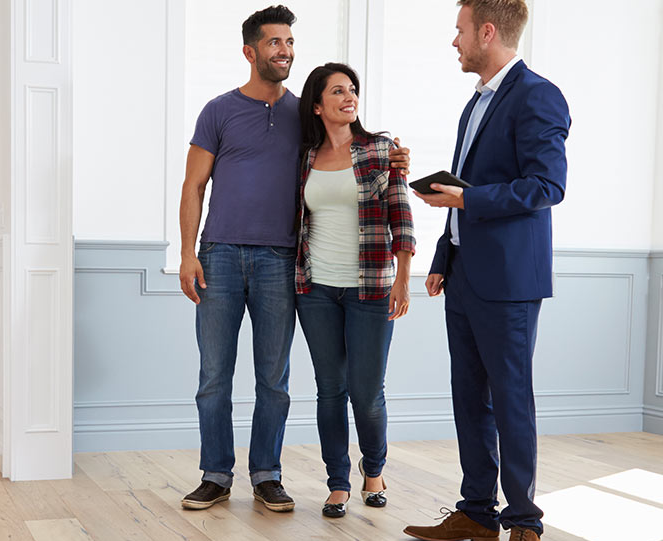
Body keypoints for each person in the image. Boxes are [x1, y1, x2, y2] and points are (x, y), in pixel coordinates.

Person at [177, 5, 412, 513]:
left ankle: (267, 474)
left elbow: (350, 152)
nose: (284, 50)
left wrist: (394, 156)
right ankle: (215, 474)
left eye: (289, 42)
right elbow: (194, 185)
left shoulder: (303, 115)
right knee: (214, 374)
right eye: (274, 42)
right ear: (250, 51)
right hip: (218, 255)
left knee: (274, 377)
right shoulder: (217, 110)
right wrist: (187, 253)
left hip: (282, 261)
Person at [402, 1, 569, 540]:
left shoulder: (538, 95)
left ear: (488, 32)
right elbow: (462, 189)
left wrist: (466, 203)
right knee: (469, 396)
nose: (455, 41)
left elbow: (547, 186)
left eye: (460, 31)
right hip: (464, 275)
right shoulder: (474, 104)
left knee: (510, 397)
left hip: (509, 280)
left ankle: (524, 521)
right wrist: (441, 258)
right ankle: (477, 512)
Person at [294, 63, 414, 518]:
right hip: (316, 289)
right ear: (319, 104)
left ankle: (375, 470)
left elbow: (401, 217)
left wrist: (402, 278)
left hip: (371, 289)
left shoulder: (381, 150)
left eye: (353, 90)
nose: (349, 97)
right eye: (338, 91)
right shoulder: (304, 157)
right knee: (330, 389)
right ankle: (338, 482)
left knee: (366, 392)